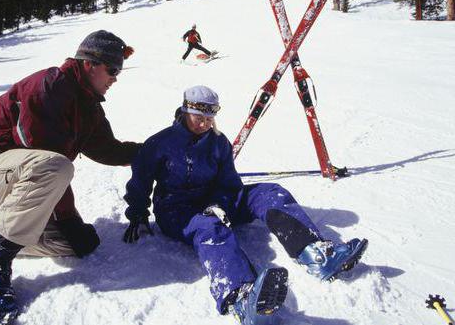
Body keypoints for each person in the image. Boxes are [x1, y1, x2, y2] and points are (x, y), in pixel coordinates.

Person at [123, 85, 368, 325]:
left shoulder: (218, 143)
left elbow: (229, 183)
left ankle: (315, 253)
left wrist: (219, 202)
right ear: (185, 111)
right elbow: (140, 181)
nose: (204, 123)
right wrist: (137, 214)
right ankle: (240, 296)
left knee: (270, 192)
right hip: (177, 210)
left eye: (210, 118)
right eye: (198, 117)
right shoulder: (160, 143)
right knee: (209, 227)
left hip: (216, 202)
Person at [0, 30, 141, 324]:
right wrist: (67, 218)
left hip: (15, 177)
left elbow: (106, 149)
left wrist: (150, 152)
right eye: (112, 69)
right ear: (89, 63)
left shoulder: (87, 104)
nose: (115, 78)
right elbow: (48, 164)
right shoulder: (48, 90)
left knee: (78, 244)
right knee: (56, 168)